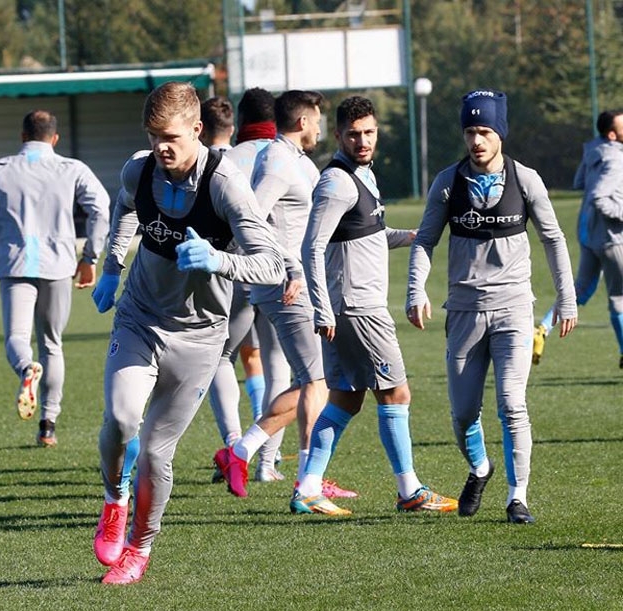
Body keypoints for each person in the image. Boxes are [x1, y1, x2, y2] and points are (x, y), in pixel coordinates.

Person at [89, 81, 283, 585]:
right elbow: (125, 206)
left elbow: (272, 264)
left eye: (171, 137)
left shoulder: (226, 184)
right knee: (120, 416)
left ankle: (139, 549)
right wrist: (113, 265)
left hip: (200, 337)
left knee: (156, 450)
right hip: (140, 317)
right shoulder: (141, 168)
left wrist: (218, 259)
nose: (162, 147)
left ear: (198, 129)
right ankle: (114, 500)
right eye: (154, 136)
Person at [406, 89, 577, 524]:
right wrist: (415, 289)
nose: (476, 140)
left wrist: (566, 297)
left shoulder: (526, 179)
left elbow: (554, 239)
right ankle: (481, 467)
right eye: (469, 131)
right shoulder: (448, 183)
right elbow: (425, 240)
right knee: (463, 415)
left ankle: (517, 497)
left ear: (499, 132)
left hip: (514, 308)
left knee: (512, 403)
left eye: (484, 131)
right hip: (463, 311)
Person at [299, 95, 455, 516]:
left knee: (346, 399)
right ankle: (410, 491)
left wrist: (413, 235)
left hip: (351, 306)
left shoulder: (362, 175)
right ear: (338, 135)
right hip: (356, 308)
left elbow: (366, 235)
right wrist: (322, 308)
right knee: (396, 392)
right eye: (353, 134)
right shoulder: (337, 182)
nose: (362, 140)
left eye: (369, 132)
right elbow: (311, 247)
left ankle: (308, 487)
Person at [215, 89, 357, 504]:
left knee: (316, 380)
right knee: (317, 380)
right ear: (301, 122)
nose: (319, 127)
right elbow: (252, 220)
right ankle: (305, 482)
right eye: (315, 120)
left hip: (300, 282)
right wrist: (289, 266)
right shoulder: (277, 160)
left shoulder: (297, 160)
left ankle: (244, 454)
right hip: (284, 284)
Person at [0, 109, 110, 447]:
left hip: (14, 265)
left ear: (22, 136)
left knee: (17, 337)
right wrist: (90, 256)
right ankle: (48, 425)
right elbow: (101, 208)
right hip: (58, 265)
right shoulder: (71, 168)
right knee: (52, 344)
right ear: (54, 138)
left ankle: (26, 368)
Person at [200, 95, 270, 461]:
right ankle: (265, 451)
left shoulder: (207, 167)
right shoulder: (269, 158)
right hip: (273, 271)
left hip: (231, 273)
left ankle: (234, 442)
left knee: (224, 356)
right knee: (267, 359)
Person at [533, 109, 623, 369]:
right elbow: (598, 196)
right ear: (612, 134)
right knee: (618, 298)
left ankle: (542, 329)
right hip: (611, 238)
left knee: (579, 290)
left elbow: (579, 181)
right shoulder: (617, 159)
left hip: (588, 231)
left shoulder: (594, 150)